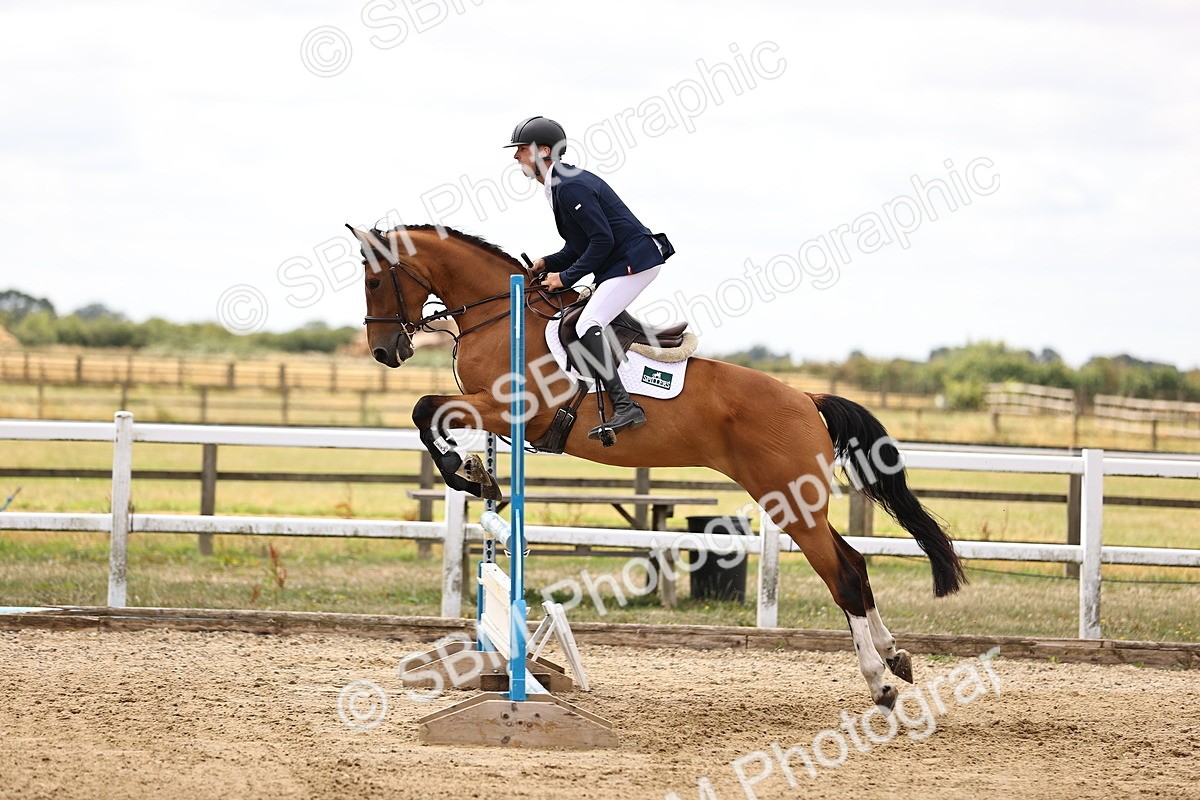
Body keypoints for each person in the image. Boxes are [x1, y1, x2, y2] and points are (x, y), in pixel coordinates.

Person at [504, 115, 669, 442]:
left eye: (522, 149)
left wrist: (565, 278)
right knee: (581, 320)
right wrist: (546, 263)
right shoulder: (558, 185)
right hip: (621, 262)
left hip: (637, 260)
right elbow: (579, 245)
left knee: (586, 323)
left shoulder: (569, 185)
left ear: (544, 151)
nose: (516, 156)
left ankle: (626, 406)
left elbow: (602, 241)